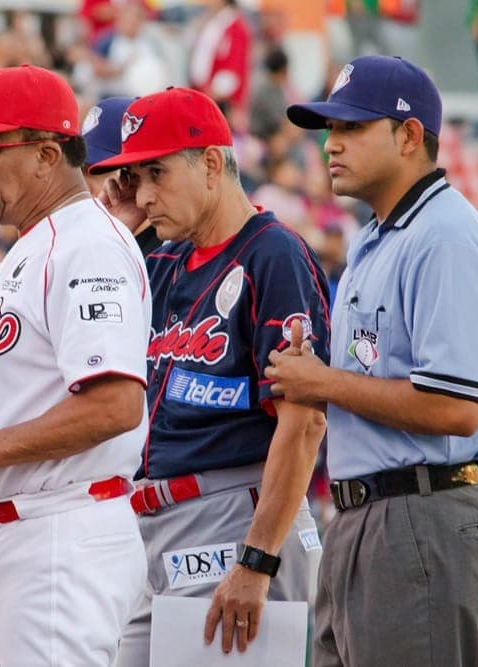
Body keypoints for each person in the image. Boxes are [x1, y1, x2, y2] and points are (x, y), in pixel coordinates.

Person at [271, 55, 478, 666]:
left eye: (352, 128)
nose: (332, 145)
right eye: (330, 130)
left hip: (423, 514)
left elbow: (455, 406)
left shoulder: (445, 236)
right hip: (368, 517)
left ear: (409, 136)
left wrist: (324, 382)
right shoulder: (378, 236)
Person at [0, 65, 150, 666]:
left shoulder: (87, 244)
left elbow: (116, 404)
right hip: (30, 534)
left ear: (48, 155)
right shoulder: (35, 243)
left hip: (61, 531)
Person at [88, 87, 330, 662]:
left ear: (213, 164)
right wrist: (117, 232)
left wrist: (257, 558)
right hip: (153, 525)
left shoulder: (272, 255)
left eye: (157, 173)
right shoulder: (161, 257)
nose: (143, 195)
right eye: (134, 177)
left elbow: (303, 424)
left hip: (234, 516)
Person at [80, 95, 161, 255]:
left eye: (97, 170)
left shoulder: (168, 251)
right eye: (80, 170)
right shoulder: (88, 234)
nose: (83, 184)